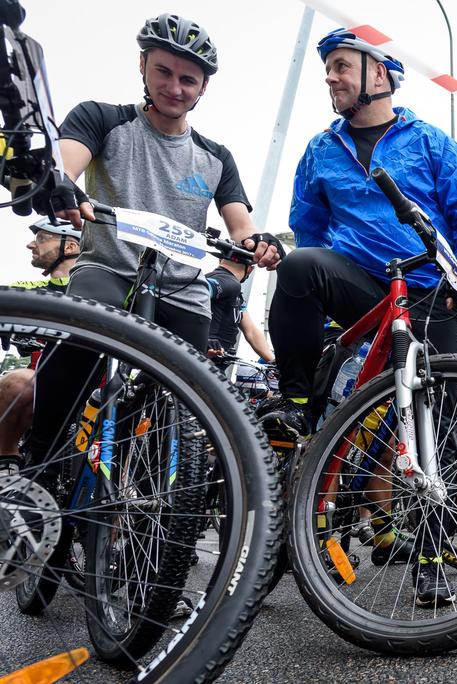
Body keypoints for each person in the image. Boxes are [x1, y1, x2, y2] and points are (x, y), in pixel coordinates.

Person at [264, 27, 457, 605]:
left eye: (342, 65)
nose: (331, 77)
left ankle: (430, 555)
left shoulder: (433, 142)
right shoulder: (320, 149)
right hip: (363, 284)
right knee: (300, 266)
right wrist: (322, 321)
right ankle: (295, 406)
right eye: (329, 68)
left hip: (432, 288)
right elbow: (310, 230)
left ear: (381, 73)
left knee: (423, 425)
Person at [24, 13, 281, 468]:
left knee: (187, 402)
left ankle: (155, 509)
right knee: (74, 355)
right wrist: (62, 184)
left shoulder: (216, 157)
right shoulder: (102, 118)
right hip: (108, 267)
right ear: (142, 65)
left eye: (189, 80)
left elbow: (240, 225)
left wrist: (257, 242)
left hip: (180, 288)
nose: (175, 88)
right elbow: (67, 162)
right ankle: (41, 464)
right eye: (163, 71)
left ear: (203, 88)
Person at [0, 219, 80, 471]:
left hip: (104, 389)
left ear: (69, 248)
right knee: (17, 382)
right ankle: (5, 464)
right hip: (43, 386)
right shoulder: (31, 289)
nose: (30, 244)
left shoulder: (109, 291)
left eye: (42, 238)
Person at [206, 259, 275, 364]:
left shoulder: (235, 293)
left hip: (216, 362)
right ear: (250, 270)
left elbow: (251, 332)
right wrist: (208, 339)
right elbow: (198, 287)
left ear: (220, 261)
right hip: (205, 362)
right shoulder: (229, 283)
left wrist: (274, 361)